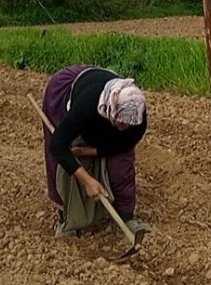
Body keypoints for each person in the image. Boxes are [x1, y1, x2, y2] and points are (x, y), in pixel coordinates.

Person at [41, 65, 150, 237]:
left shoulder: (137, 117)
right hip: (66, 92)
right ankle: (66, 219)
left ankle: (126, 218)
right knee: (64, 164)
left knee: (122, 162)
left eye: (128, 124)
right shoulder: (88, 105)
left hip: (100, 90)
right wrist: (87, 181)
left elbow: (122, 145)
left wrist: (86, 152)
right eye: (120, 122)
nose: (124, 127)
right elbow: (57, 146)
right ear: (111, 110)